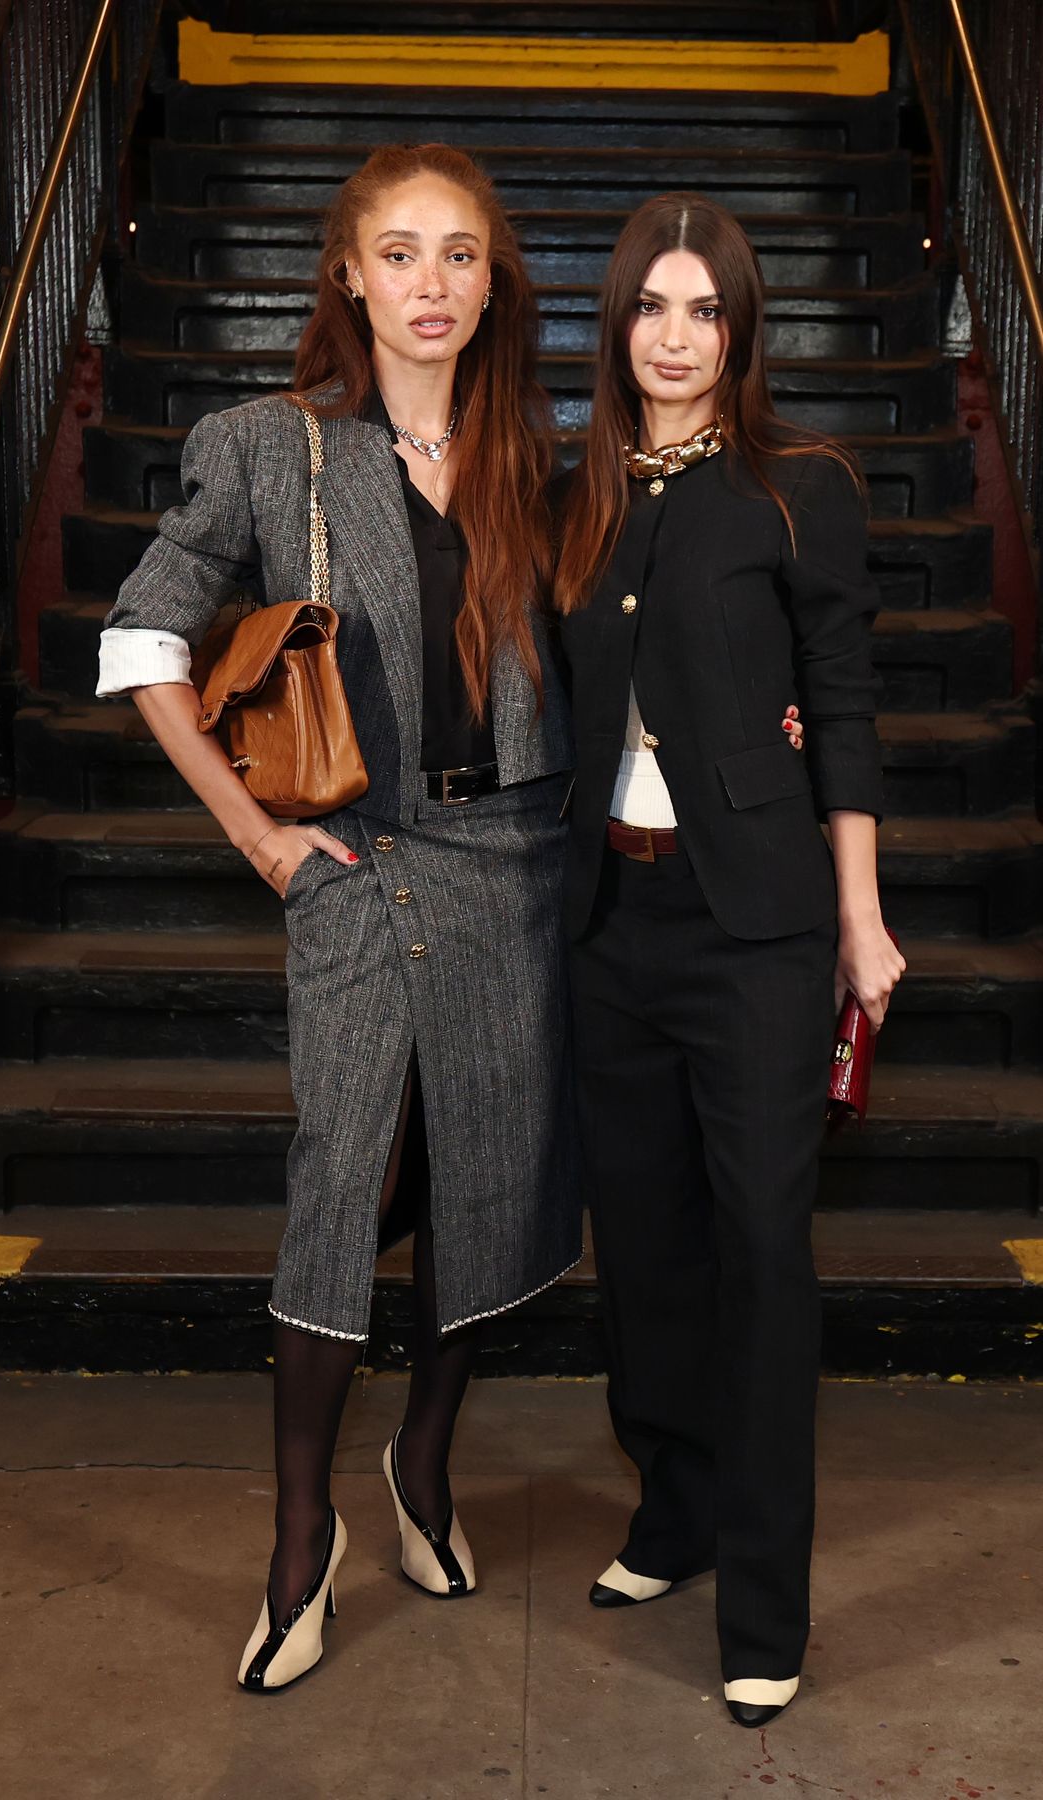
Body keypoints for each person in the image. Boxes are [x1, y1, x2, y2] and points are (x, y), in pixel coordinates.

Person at [95, 143, 582, 1692]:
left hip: (517, 863)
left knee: (485, 1187)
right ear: (348, 274)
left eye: (459, 256)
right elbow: (141, 641)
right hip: (360, 866)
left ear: (492, 282)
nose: (429, 284)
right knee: (342, 1186)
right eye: (400, 253)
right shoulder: (270, 444)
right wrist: (257, 835)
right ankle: (299, 1542)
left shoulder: (531, 457)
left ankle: (421, 1468)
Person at [553, 192, 905, 1729]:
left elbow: (842, 705)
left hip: (756, 927)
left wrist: (861, 915)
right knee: (643, 1247)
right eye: (651, 307)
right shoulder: (578, 491)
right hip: (608, 925)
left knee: (762, 1259)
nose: (677, 337)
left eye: (704, 311)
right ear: (618, 324)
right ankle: (674, 1513)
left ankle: (766, 1602)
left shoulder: (798, 488)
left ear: (739, 330)